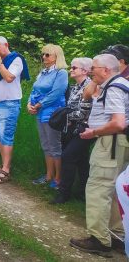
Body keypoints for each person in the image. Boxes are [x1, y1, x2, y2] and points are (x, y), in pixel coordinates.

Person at [70, 54, 129, 257]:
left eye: (94, 67)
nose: (91, 71)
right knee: (112, 190)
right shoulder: (120, 83)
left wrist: (93, 132)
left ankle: (99, 239)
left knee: (98, 187)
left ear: (106, 69)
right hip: (117, 143)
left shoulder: (113, 87)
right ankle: (116, 235)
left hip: (110, 143)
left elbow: (118, 122)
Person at [0, 36, 30, 184]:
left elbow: (9, 77)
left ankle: (6, 169)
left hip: (8, 104)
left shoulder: (16, 59)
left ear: (6, 45)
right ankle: (2, 165)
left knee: (6, 136)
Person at [51, 57, 93, 204]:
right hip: (71, 128)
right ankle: (83, 192)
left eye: (74, 68)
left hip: (84, 129)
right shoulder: (75, 86)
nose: (71, 70)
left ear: (84, 71)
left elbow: (83, 113)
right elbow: (72, 108)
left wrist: (63, 115)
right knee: (82, 160)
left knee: (68, 157)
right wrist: (66, 116)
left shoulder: (89, 87)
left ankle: (64, 193)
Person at [28, 44, 69, 189]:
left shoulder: (61, 73)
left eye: (47, 55)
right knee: (46, 145)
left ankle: (59, 179)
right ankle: (48, 175)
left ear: (56, 57)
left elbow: (57, 93)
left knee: (55, 146)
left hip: (53, 113)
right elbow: (34, 90)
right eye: (43, 54)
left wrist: (39, 104)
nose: (44, 57)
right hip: (40, 113)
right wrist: (29, 104)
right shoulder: (43, 72)